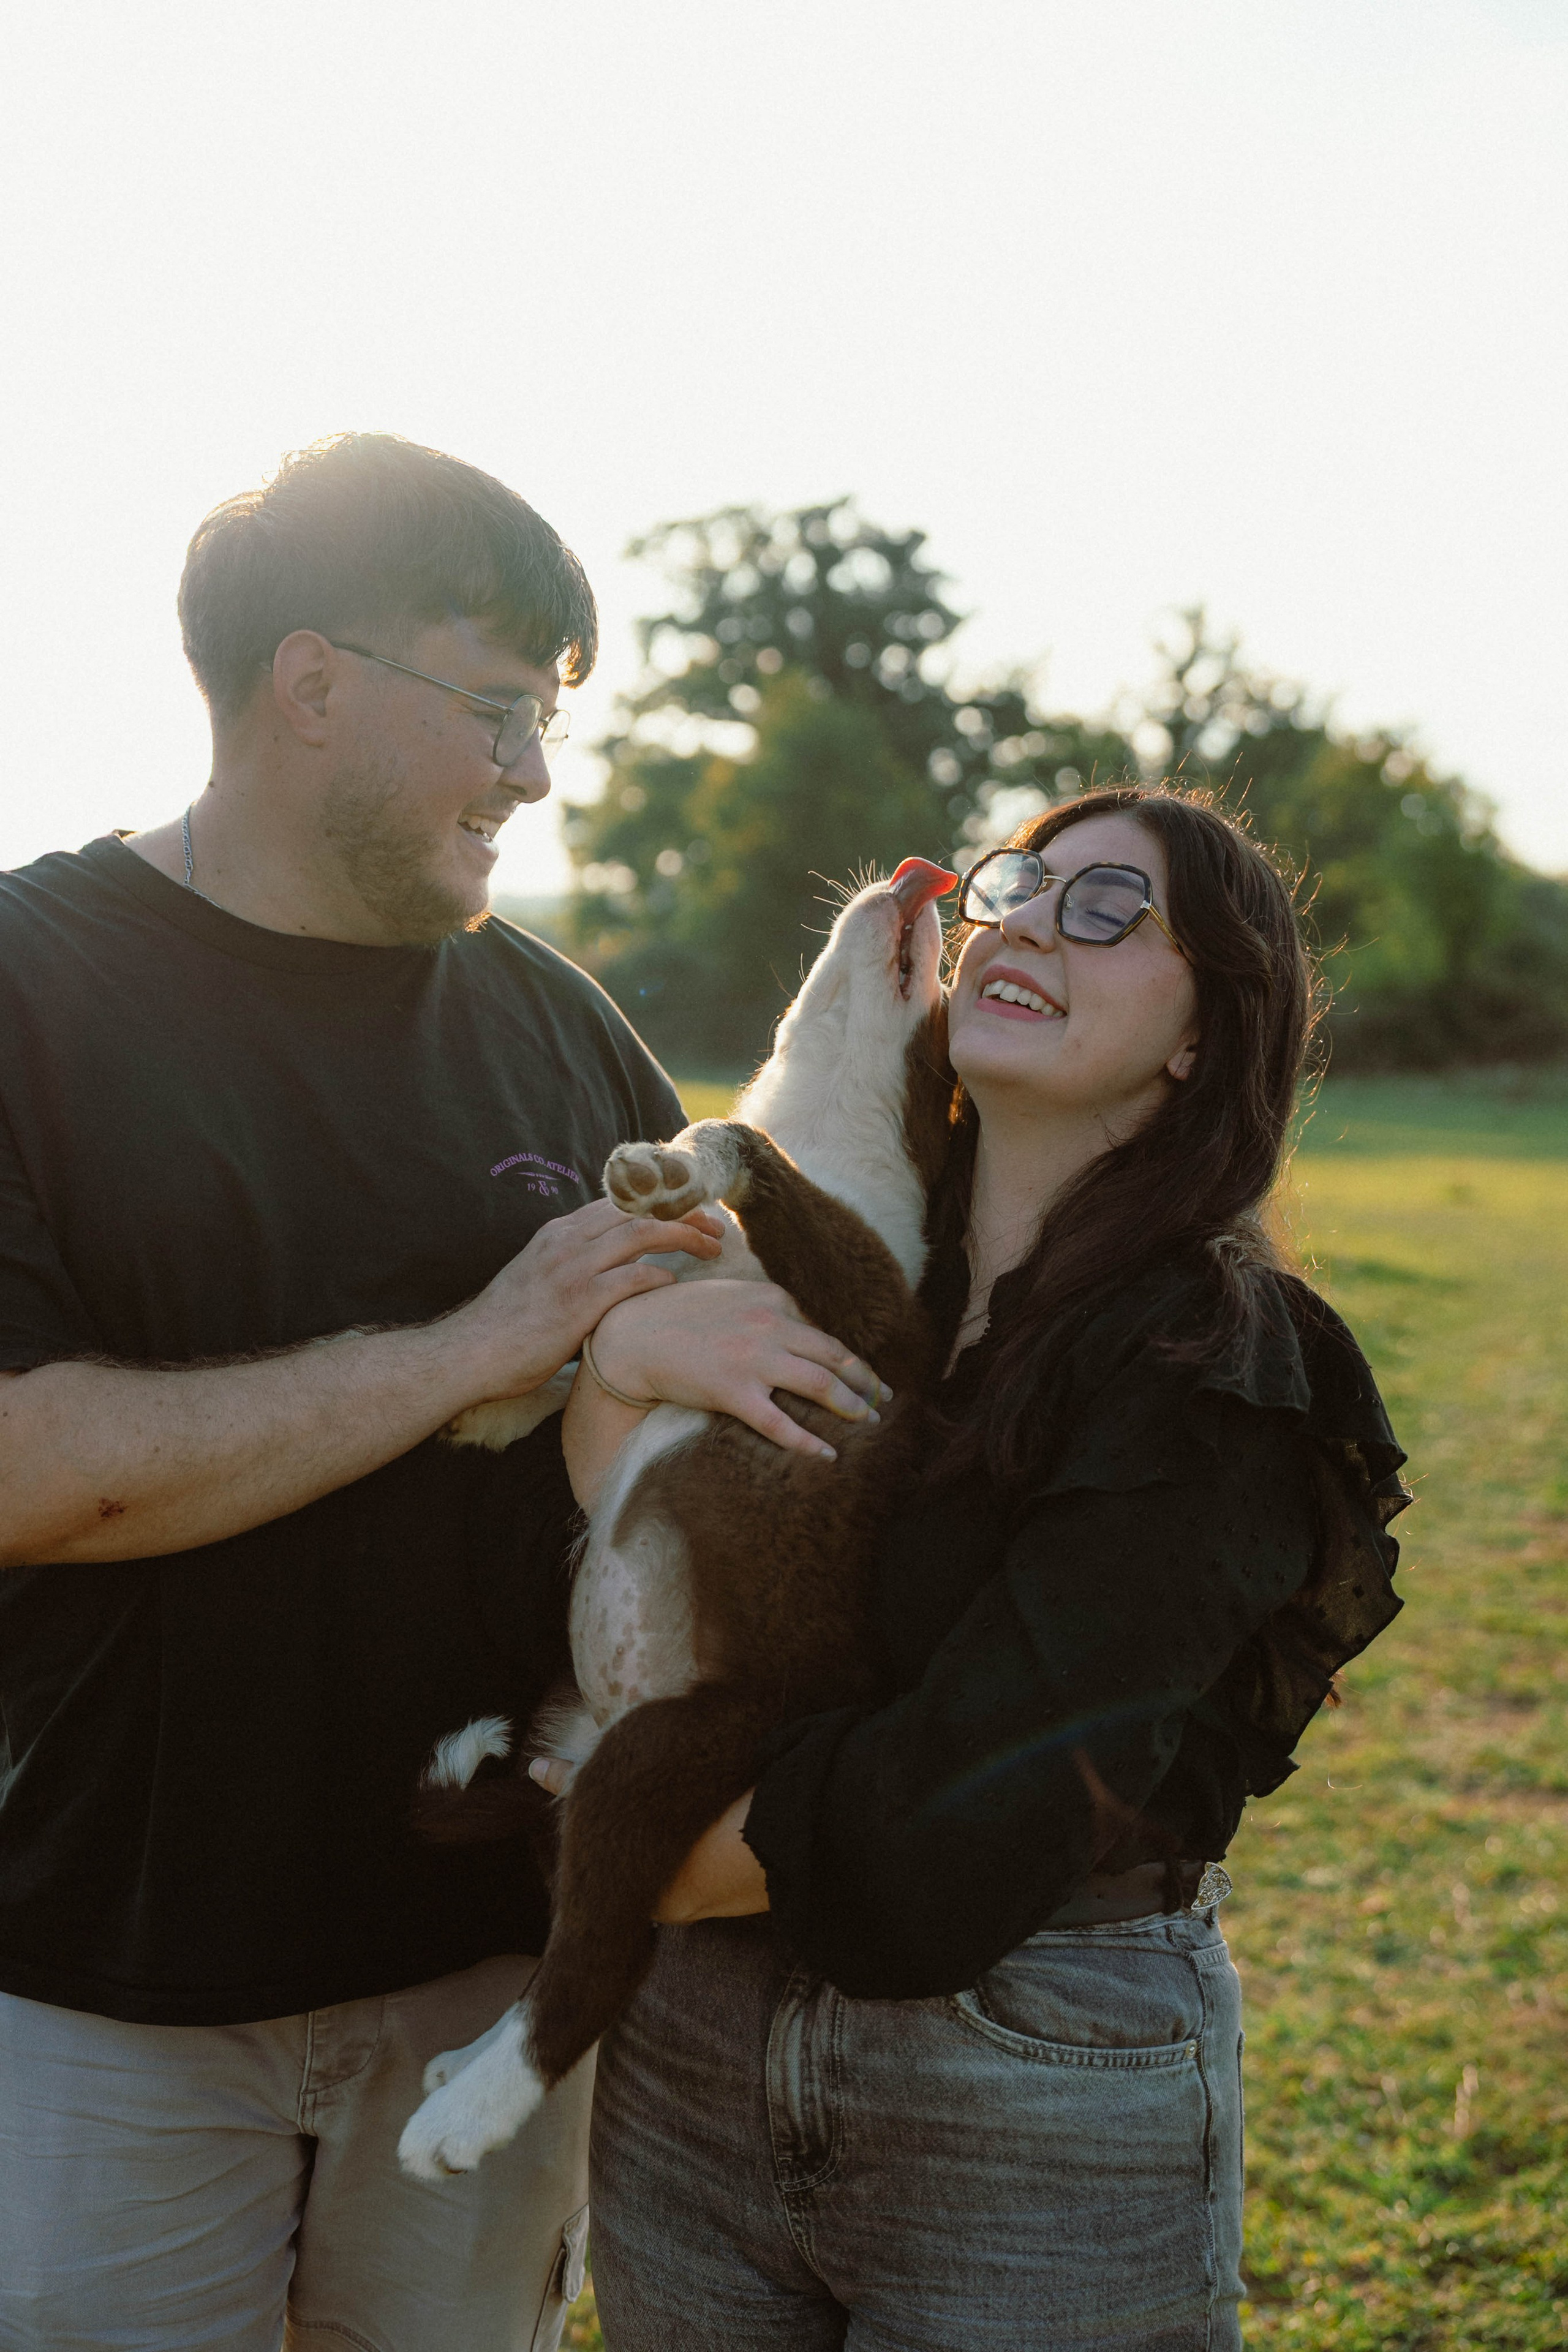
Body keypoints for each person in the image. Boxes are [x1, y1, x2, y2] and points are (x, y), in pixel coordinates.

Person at [0, 432, 883, 2352]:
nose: (536, 774)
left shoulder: (562, 1028)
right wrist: (487, 1342)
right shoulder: (25, 987)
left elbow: (712, 1409)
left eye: (553, 718)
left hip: (494, 1970)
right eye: (497, 709)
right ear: (310, 686)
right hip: (107, 1981)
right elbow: (29, 1468)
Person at [555, 786, 1409, 2351]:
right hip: (685, 2059)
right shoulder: (857, 1274)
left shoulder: (1211, 1359)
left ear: (1201, 1041)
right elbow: (642, 1544)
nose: (1017, 920)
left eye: (1105, 910)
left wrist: (623, 1862)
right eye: (1019, 886)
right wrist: (620, 1351)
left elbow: (979, 1807)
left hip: (1020, 2082)